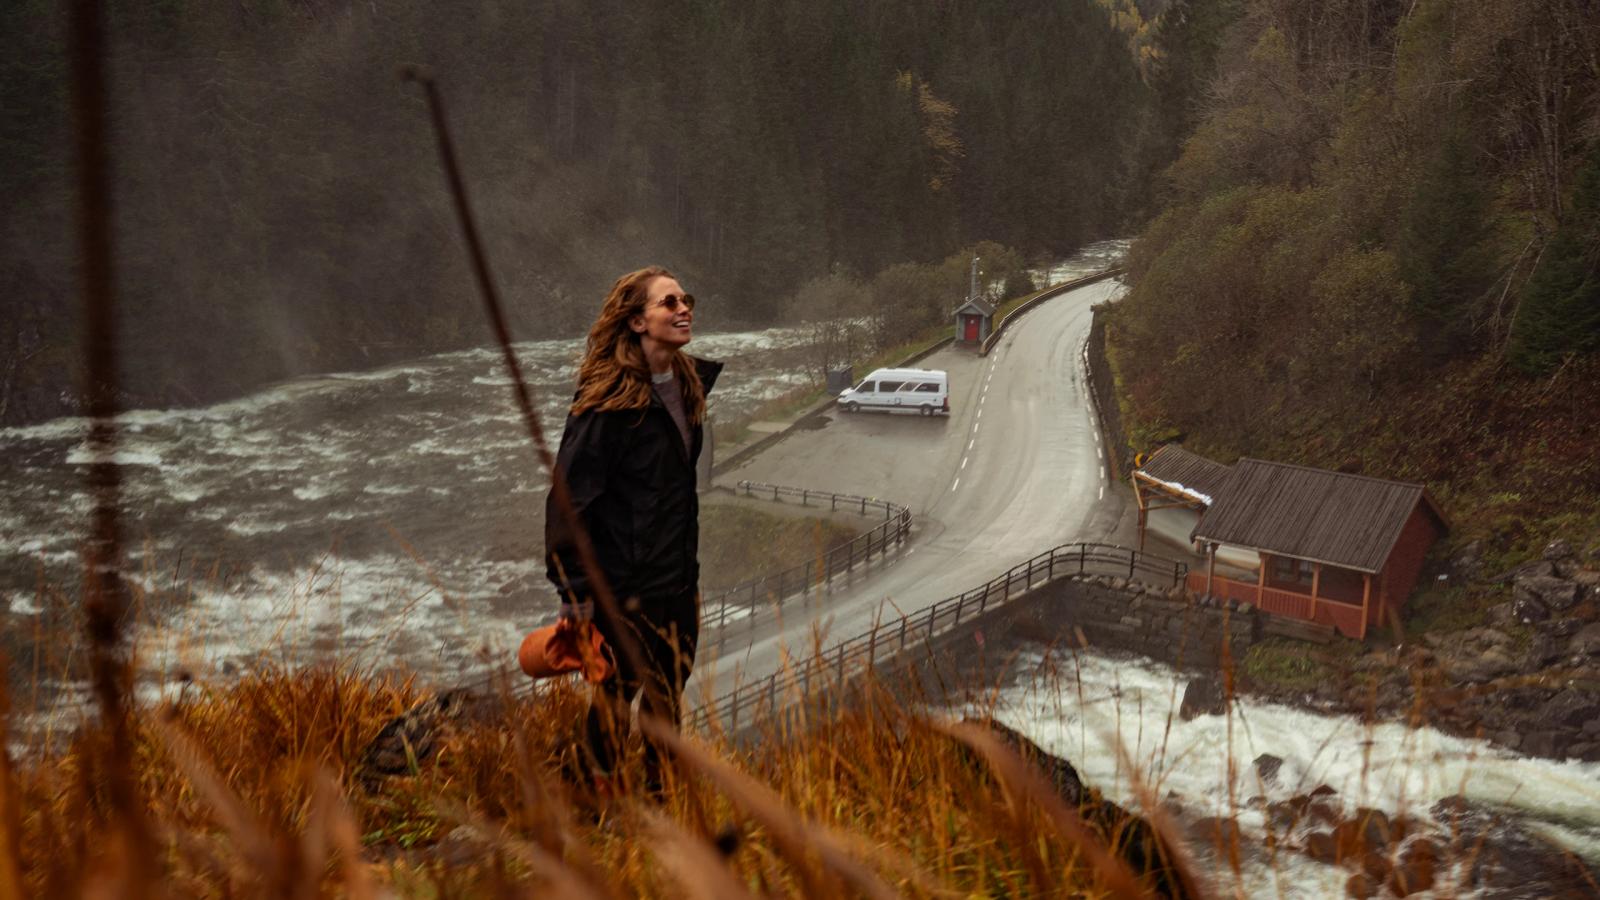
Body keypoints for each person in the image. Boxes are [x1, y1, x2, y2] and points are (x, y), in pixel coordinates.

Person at [544, 266, 721, 797]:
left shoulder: (688, 387)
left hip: (677, 581)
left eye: (685, 298)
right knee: (616, 697)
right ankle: (594, 797)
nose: (683, 308)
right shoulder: (606, 404)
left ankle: (660, 794)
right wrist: (576, 596)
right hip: (623, 590)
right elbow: (568, 503)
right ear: (638, 321)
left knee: (668, 696)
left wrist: (687, 579)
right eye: (669, 303)